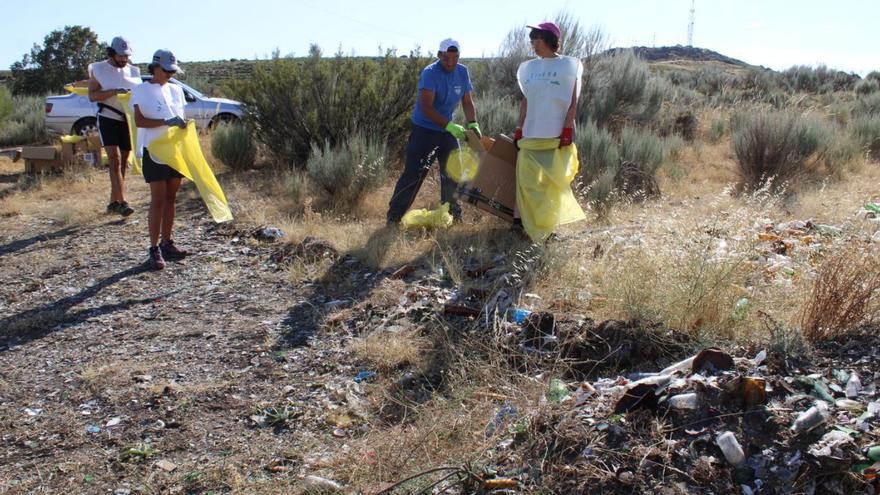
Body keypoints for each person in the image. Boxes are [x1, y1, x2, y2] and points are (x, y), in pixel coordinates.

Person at [386, 38, 480, 224]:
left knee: (453, 172)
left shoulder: (462, 72)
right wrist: (450, 126)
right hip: (425, 130)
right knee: (414, 174)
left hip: (447, 132)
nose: (451, 62)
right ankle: (394, 217)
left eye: (455, 58)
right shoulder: (430, 73)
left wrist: (472, 123)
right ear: (439, 55)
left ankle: (452, 214)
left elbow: (467, 101)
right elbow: (427, 108)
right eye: (446, 58)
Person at [512, 22, 586, 242]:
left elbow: (573, 101)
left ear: (550, 41)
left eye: (538, 39)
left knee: (550, 183)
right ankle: (520, 223)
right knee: (525, 180)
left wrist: (566, 128)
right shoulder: (529, 68)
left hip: (554, 134)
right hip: (530, 133)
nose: (534, 44)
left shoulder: (569, 66)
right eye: (532, 39)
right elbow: (526, 99)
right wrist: (519, 127)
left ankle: (547, 226)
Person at [130, 49, 190, 270]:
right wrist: (166, 121)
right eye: (166, 70)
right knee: (158, 198)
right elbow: (140, 121)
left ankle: (167, 242)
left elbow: (180, 116)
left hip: (174, 151)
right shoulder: (141, 90)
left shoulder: (176, 90)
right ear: (154, 67)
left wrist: (183, 125)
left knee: (171, 197)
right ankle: (154, 248)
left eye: (172, 71)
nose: (170, 75)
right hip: (154, 150)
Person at [87, 36, 142, 217]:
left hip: (127, 120)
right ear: (112, 53)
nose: (123, 59)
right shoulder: (98, 69)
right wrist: (113, 92)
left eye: (126, 56)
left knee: (124, 161)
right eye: (120, 56)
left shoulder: (134, 71)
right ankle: (123, 202)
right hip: (107, 117)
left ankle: (114, 201)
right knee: (114, 160)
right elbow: (92, 95)